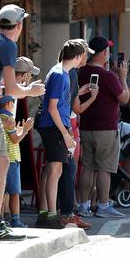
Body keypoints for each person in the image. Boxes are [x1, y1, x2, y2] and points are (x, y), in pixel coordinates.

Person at [0, 4, 45, 241]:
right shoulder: (7, 44)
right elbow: (14, 88)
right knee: (2, 161)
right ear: (19, 26)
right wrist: (32, 90)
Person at [77, 36, 129, 218]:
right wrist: (122, 77)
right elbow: (125, 99)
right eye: (108, 50)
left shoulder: (80, 71)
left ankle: (83, 205)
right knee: (104, 168)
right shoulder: (109, 76)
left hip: (86, 126)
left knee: (88, 167)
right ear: (104, 53)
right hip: (106, 129)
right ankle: (103, 205)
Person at [35, 40, 85, 229]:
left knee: (52, 169)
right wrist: (65, 132)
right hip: (52, 126)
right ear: (78, 56)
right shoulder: (59, 74)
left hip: (55, 125)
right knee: (56, 169)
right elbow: (52, 107)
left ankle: (44, 213)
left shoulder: (61, 72)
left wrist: (67, 130)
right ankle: (51, 215)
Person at [57, 38, 96, 230]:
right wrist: (92, 98)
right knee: (70, 170)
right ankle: (67, 213)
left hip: (67, 122)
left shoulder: (69, 72)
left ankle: (66, 211)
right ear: (79, 55)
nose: (88, 56)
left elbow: (70, 98)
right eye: (86, 53)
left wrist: (80, 92)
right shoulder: (70, 73)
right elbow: (76, 108)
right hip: (69, 123)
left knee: (67, 170)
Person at [0, 95, 33, 228]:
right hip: (12, 159)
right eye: (13, 102)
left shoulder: (0, 118)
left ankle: (1, 219)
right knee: (14, 192)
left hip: (3, 158)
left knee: (3, 191)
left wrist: (19, 131)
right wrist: (25, 130)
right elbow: (15, 139)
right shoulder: (8, 118)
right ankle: (16, 220)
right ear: (8, 103)